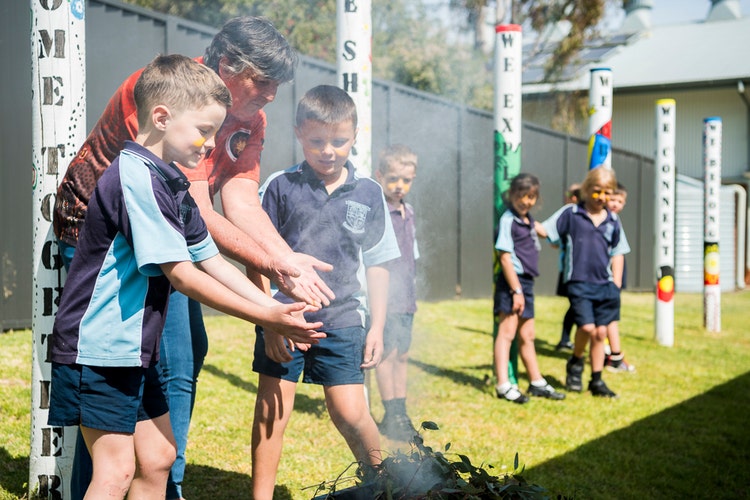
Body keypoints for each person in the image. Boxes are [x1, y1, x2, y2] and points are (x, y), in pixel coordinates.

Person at [52, 17, 335, 500]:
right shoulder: (165, 109)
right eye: (261, 82)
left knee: (164, 418)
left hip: (162, 247)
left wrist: (283, 263)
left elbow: (230, 213)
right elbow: (187, 261)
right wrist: (267, 310)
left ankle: (161, 481)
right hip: (102, 252)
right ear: (227, 66)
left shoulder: (202, 142)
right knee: (157, 387)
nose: (269, 95)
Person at [251, 85, 400, 499]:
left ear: (355, 135)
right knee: (272, 412)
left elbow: (380, 262)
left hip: (344, 320)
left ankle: (386, 487)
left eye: (339, 141)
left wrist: (378, 327)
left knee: (351, 412)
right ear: (299, 133)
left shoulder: (369, 192)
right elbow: (258, 256)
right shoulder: (280, 186)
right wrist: (268, 320)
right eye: (317, 141)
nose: (328, 150)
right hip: (285, 318)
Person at [543, 167, 630, 398]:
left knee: (601, 333)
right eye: (597, 191)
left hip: (605, 285)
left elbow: (619, 252)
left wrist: (617, 283)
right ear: (586, 189)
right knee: (587, 327)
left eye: (607, 192)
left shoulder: (613, 219)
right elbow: (546, 229)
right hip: (579, 282)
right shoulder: (571, 213)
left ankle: (597, 381)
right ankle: (576, 362)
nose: (601, 197)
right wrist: (522, 220)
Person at [493, 173, 566, 404]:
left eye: (531, 197)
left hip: (527, 283)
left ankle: (536, 382)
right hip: (512, 283)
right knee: (507, 334)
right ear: (512, 194)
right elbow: (504, 257)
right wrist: (516, 291)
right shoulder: (508, 220)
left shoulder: (529, 221)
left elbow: (549, 233)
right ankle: (503, 385)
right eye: (522, 196)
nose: (526, 201)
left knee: (528, 335)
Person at [373, 144, 420, 440]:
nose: (399, 186)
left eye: (406, 180)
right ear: (380, 176)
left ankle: (401, 412)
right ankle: (391, 413)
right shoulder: (379, 211)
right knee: (386, 354)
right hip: (385, 298)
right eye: (393, 179)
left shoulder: (409, 211)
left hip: (406, 298)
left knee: (402, 353)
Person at [604, 183, 636, 373]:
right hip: (604, 276)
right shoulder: (607, 219)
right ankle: (614, 356)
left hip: (613, 276)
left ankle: (612, 354)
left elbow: (619, 253)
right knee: (607, 317)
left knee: (609, 316)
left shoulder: (614, 221)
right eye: (612, 199)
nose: (615, 204)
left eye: (620, 201)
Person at [554, 183, 581, 352]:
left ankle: (566, 340)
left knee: (576, 306)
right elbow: (553, 240)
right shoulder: (569, 213)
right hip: (569, 270)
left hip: (578, 272)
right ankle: (565, 340)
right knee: (576, 306)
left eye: (568, 193)